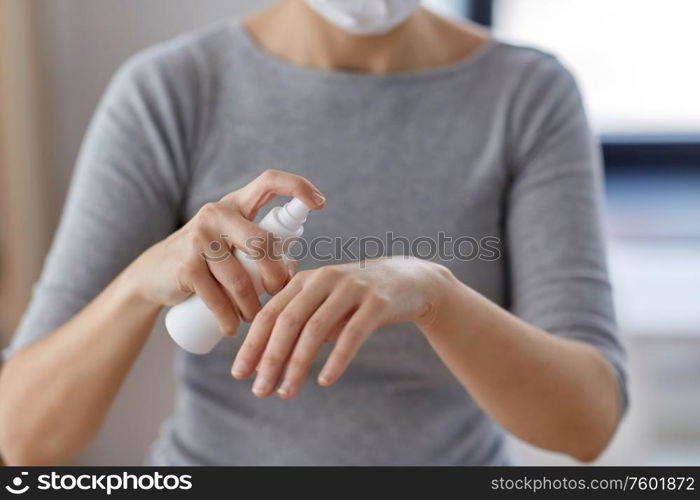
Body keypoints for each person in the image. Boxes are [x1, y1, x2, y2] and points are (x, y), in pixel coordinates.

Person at [0, 0, 627, 465]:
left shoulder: (527, 96)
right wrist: (141, 283)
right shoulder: (171, 92)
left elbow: (587, 424)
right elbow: (20, 436)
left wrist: (436, 295)